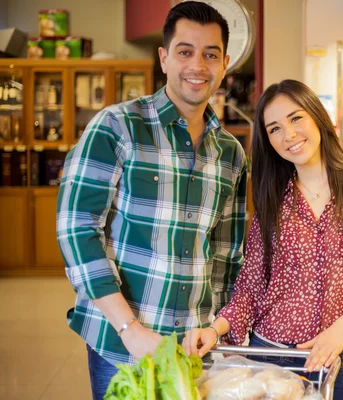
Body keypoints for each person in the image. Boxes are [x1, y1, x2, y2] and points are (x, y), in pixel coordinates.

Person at [56, 2, 246, 399]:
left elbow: (228, 255)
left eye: (210, 54)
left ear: (224, 63)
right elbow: (76, 228)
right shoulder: (117, 127)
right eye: (185, 51)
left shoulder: (231, 153)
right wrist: (130, 329)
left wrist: (219, 331)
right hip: (122, 342)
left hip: (194, 345)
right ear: (164, 58)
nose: (198, 65)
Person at [183, 79, 343, 400]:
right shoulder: (273, 199)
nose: (289, 135)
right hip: (272, 362)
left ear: (317, 116)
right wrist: (215, 329)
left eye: (296, 118)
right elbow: (252, 284)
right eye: (274, 129)